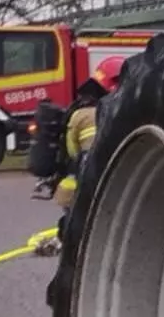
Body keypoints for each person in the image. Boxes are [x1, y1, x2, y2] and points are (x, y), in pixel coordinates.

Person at [52, 56, 125, 208]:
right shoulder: (128, 113)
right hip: (116, 189)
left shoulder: (79, 114)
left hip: (78, 191)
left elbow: (71, 151)